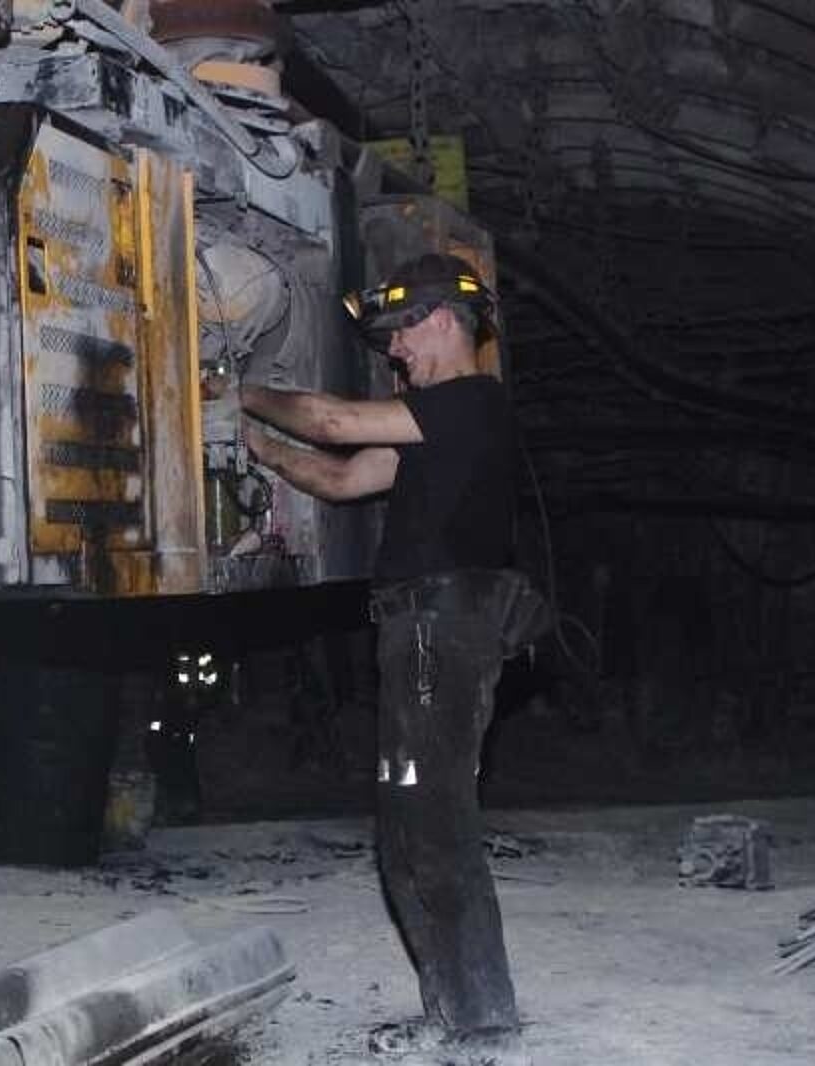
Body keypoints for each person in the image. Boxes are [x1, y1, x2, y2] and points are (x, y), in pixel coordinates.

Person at [239, 253, 549, 1065]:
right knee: (406, 829)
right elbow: (343, 477)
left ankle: (483, 1023)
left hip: (439, 634)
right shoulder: (433, 426)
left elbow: (332, 422)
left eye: (402, 335)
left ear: (442, 320)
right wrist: (260, 449)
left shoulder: (472, 402)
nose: (395, 352)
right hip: (417, 634)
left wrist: (238, 390)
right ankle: (453, 1011)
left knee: (435, 823)